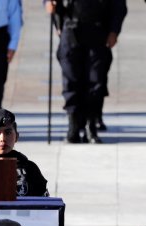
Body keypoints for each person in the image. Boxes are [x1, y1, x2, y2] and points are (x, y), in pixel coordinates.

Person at [44, 0, 126, 144]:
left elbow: (119, 6)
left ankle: (91, 126)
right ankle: (73, 126)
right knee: (71, 81)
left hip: (98, 30)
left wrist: (114, 31)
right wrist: (49, 5)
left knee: (96, 81)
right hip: (71, 30)